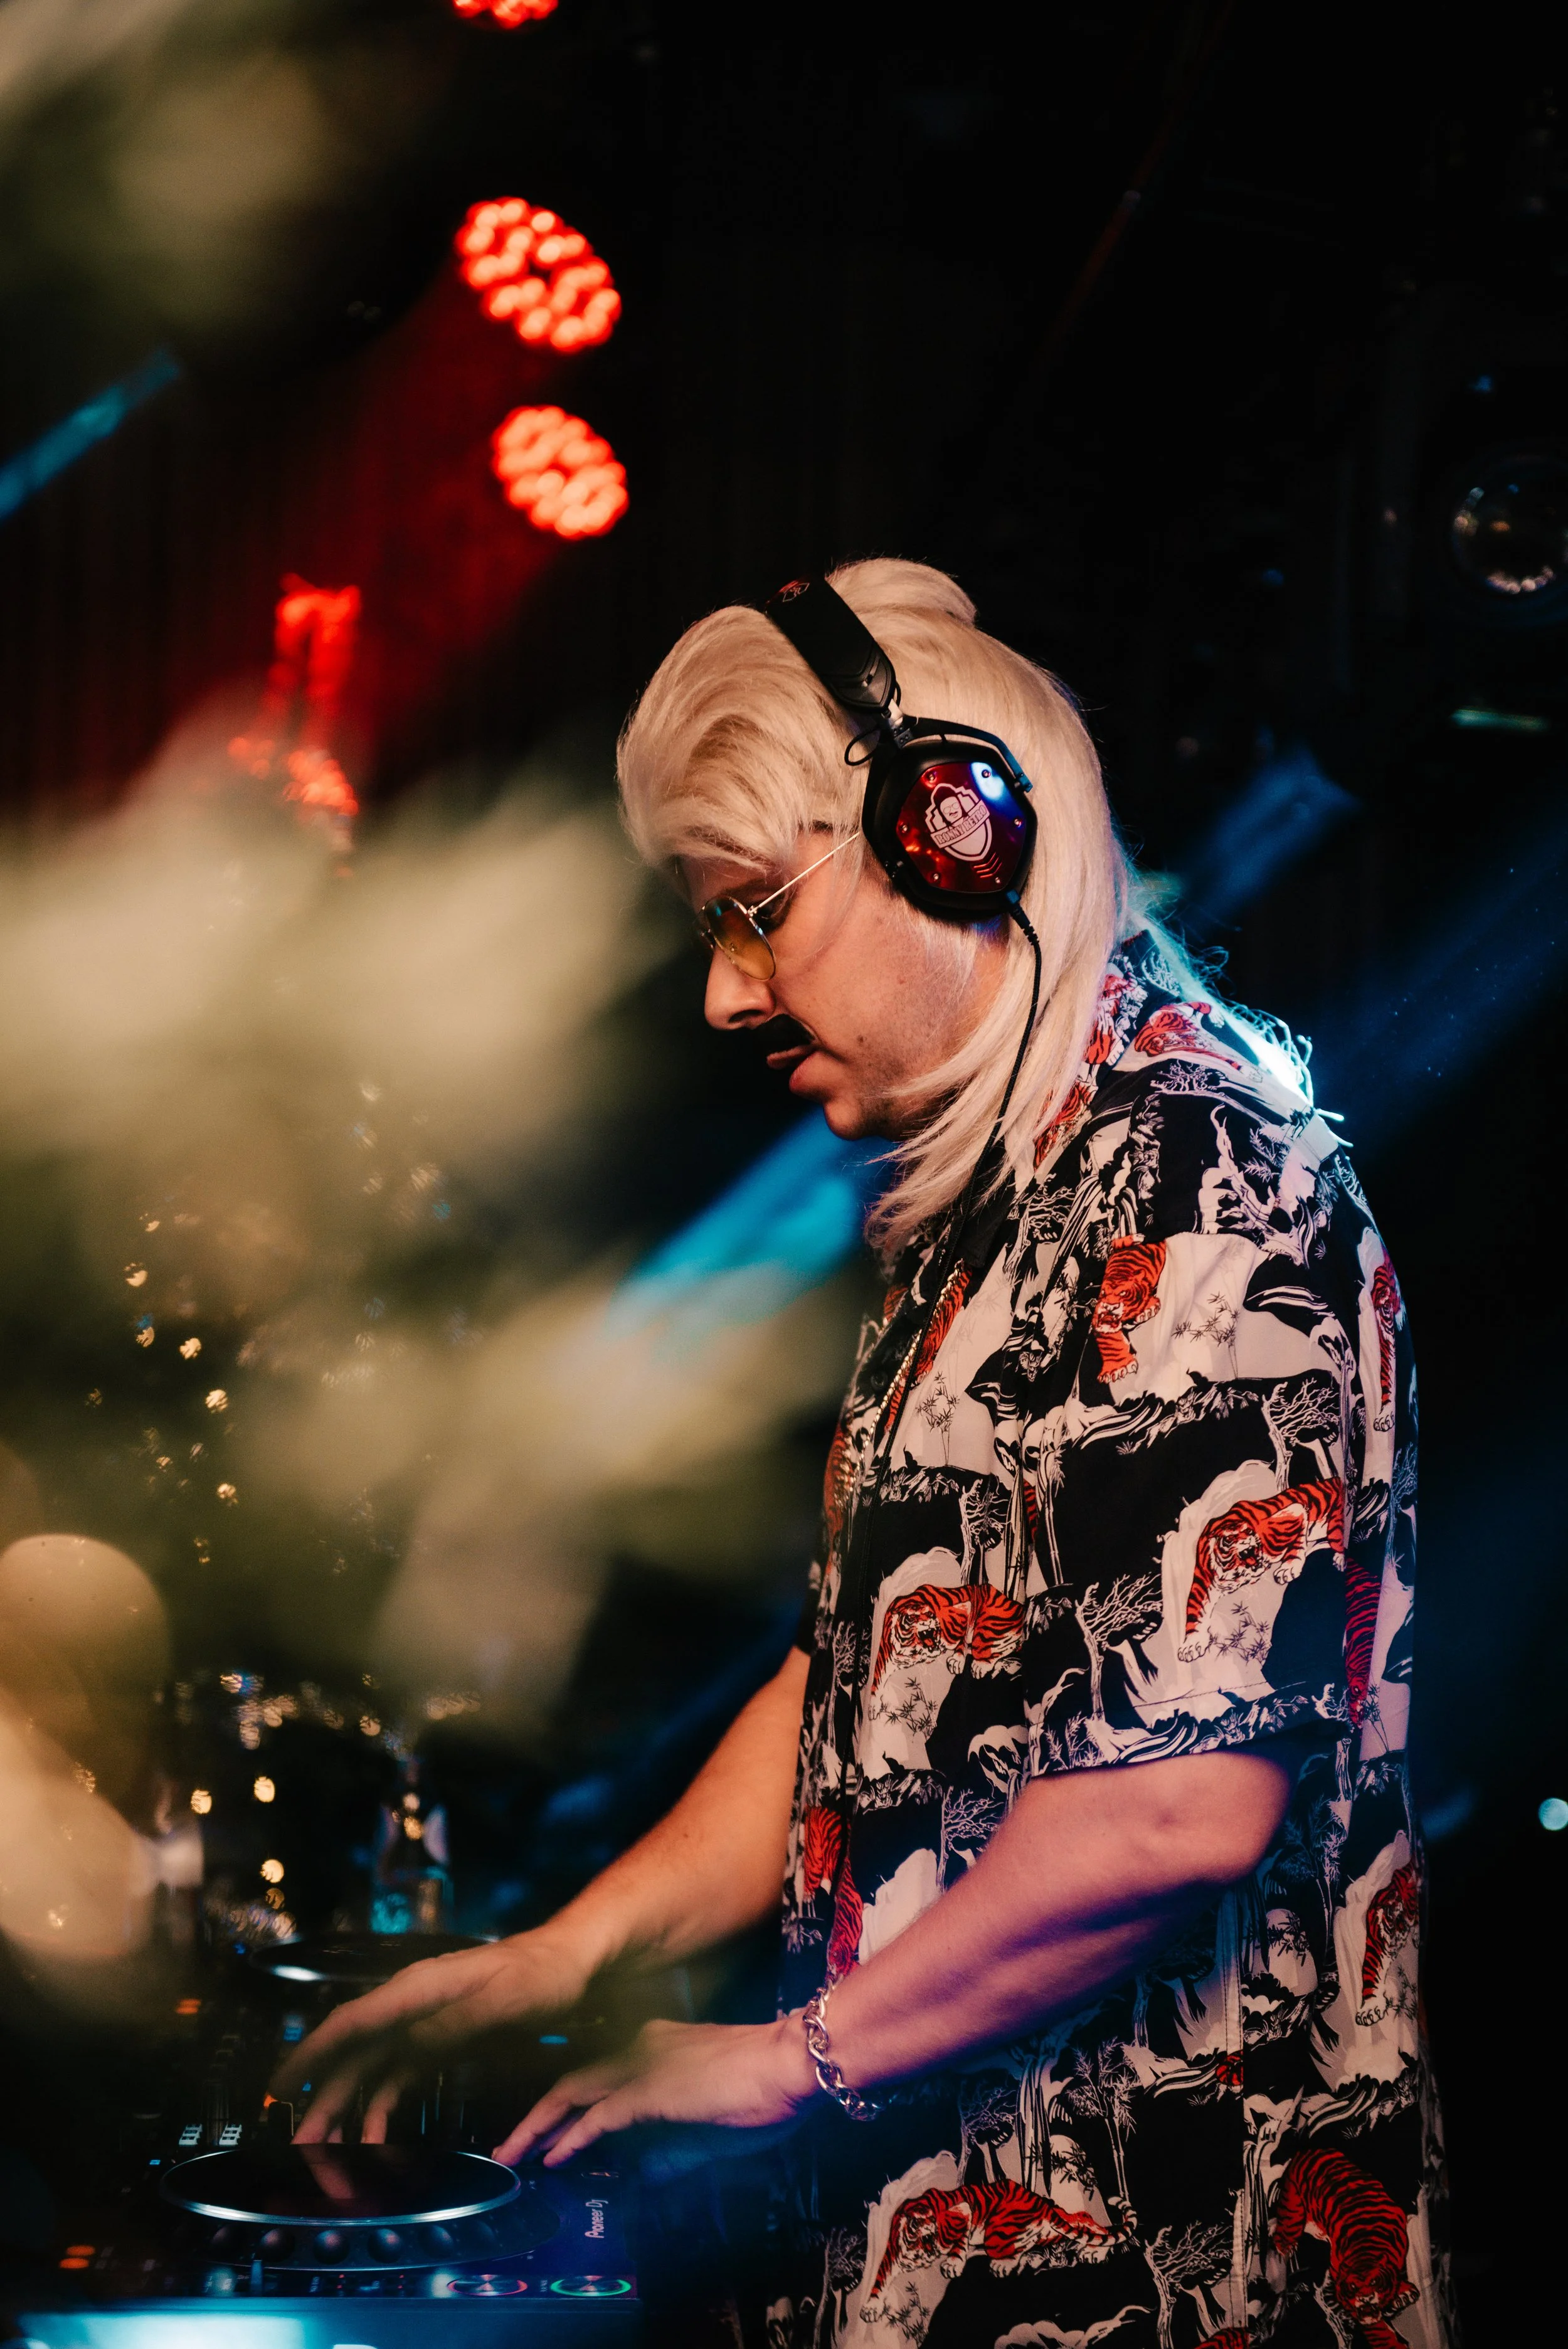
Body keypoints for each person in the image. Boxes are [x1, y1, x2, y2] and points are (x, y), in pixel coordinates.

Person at [280, 560, 1451, 2349]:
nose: (723, 997)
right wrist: (571, 1953)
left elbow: (1171, 1803)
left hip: (1157, 2263)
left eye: (755, 909)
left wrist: (782, 2064)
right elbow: (866, 1672)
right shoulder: (998, 1208)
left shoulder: (1194, 1177)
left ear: (951, 832)